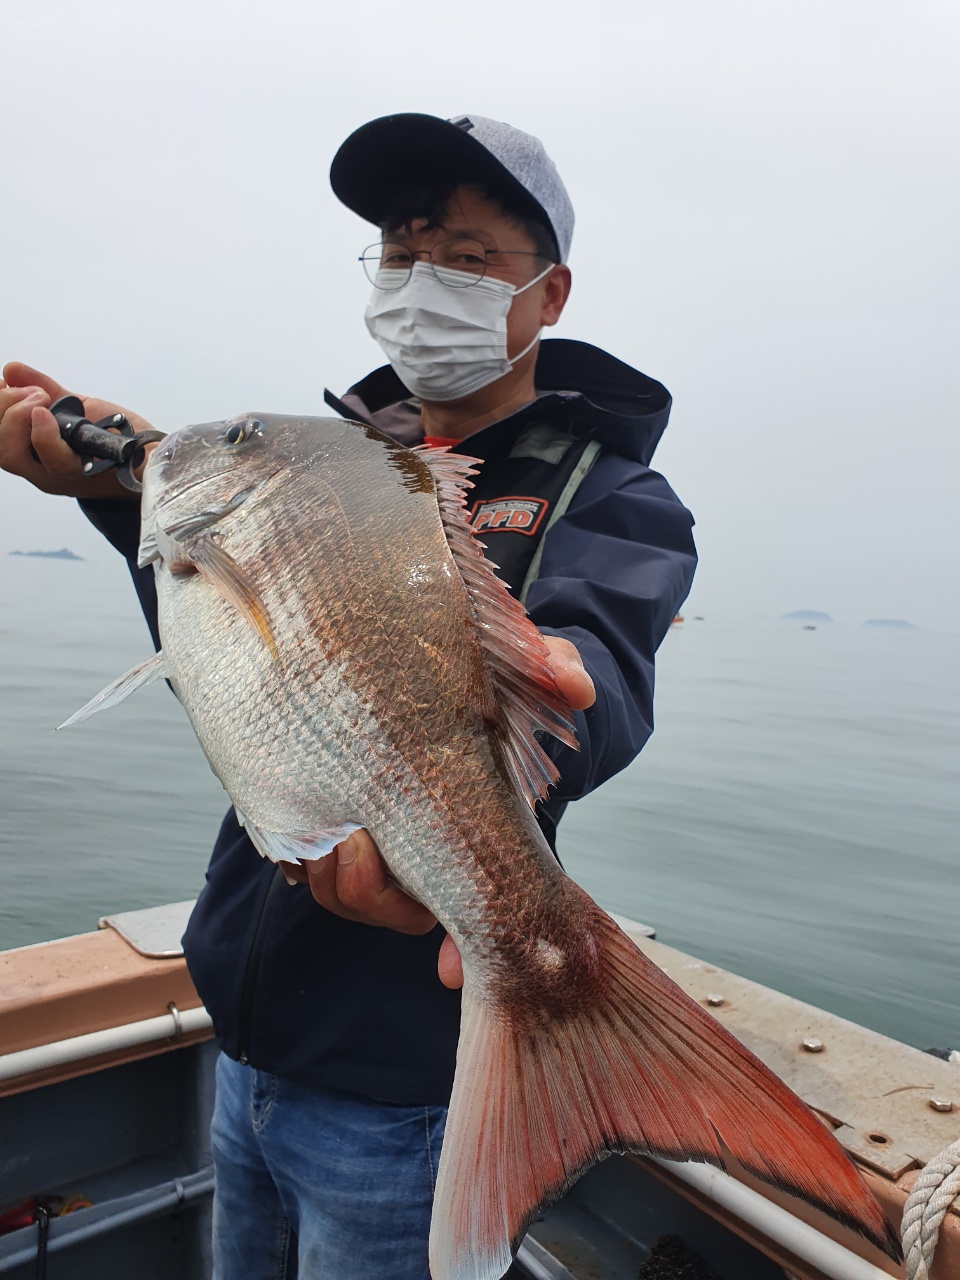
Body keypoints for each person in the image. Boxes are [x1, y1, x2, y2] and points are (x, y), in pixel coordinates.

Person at [0, 113, 697, 1279]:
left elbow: (600, 680)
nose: (424, 280)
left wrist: (558, 683)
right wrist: (119, 492)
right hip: (244, 1046)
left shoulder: (615, 495)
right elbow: (244, 668)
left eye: (466, 256)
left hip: (403, 1090)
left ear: (550, 291)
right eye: (401, 252)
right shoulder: (334, 462)